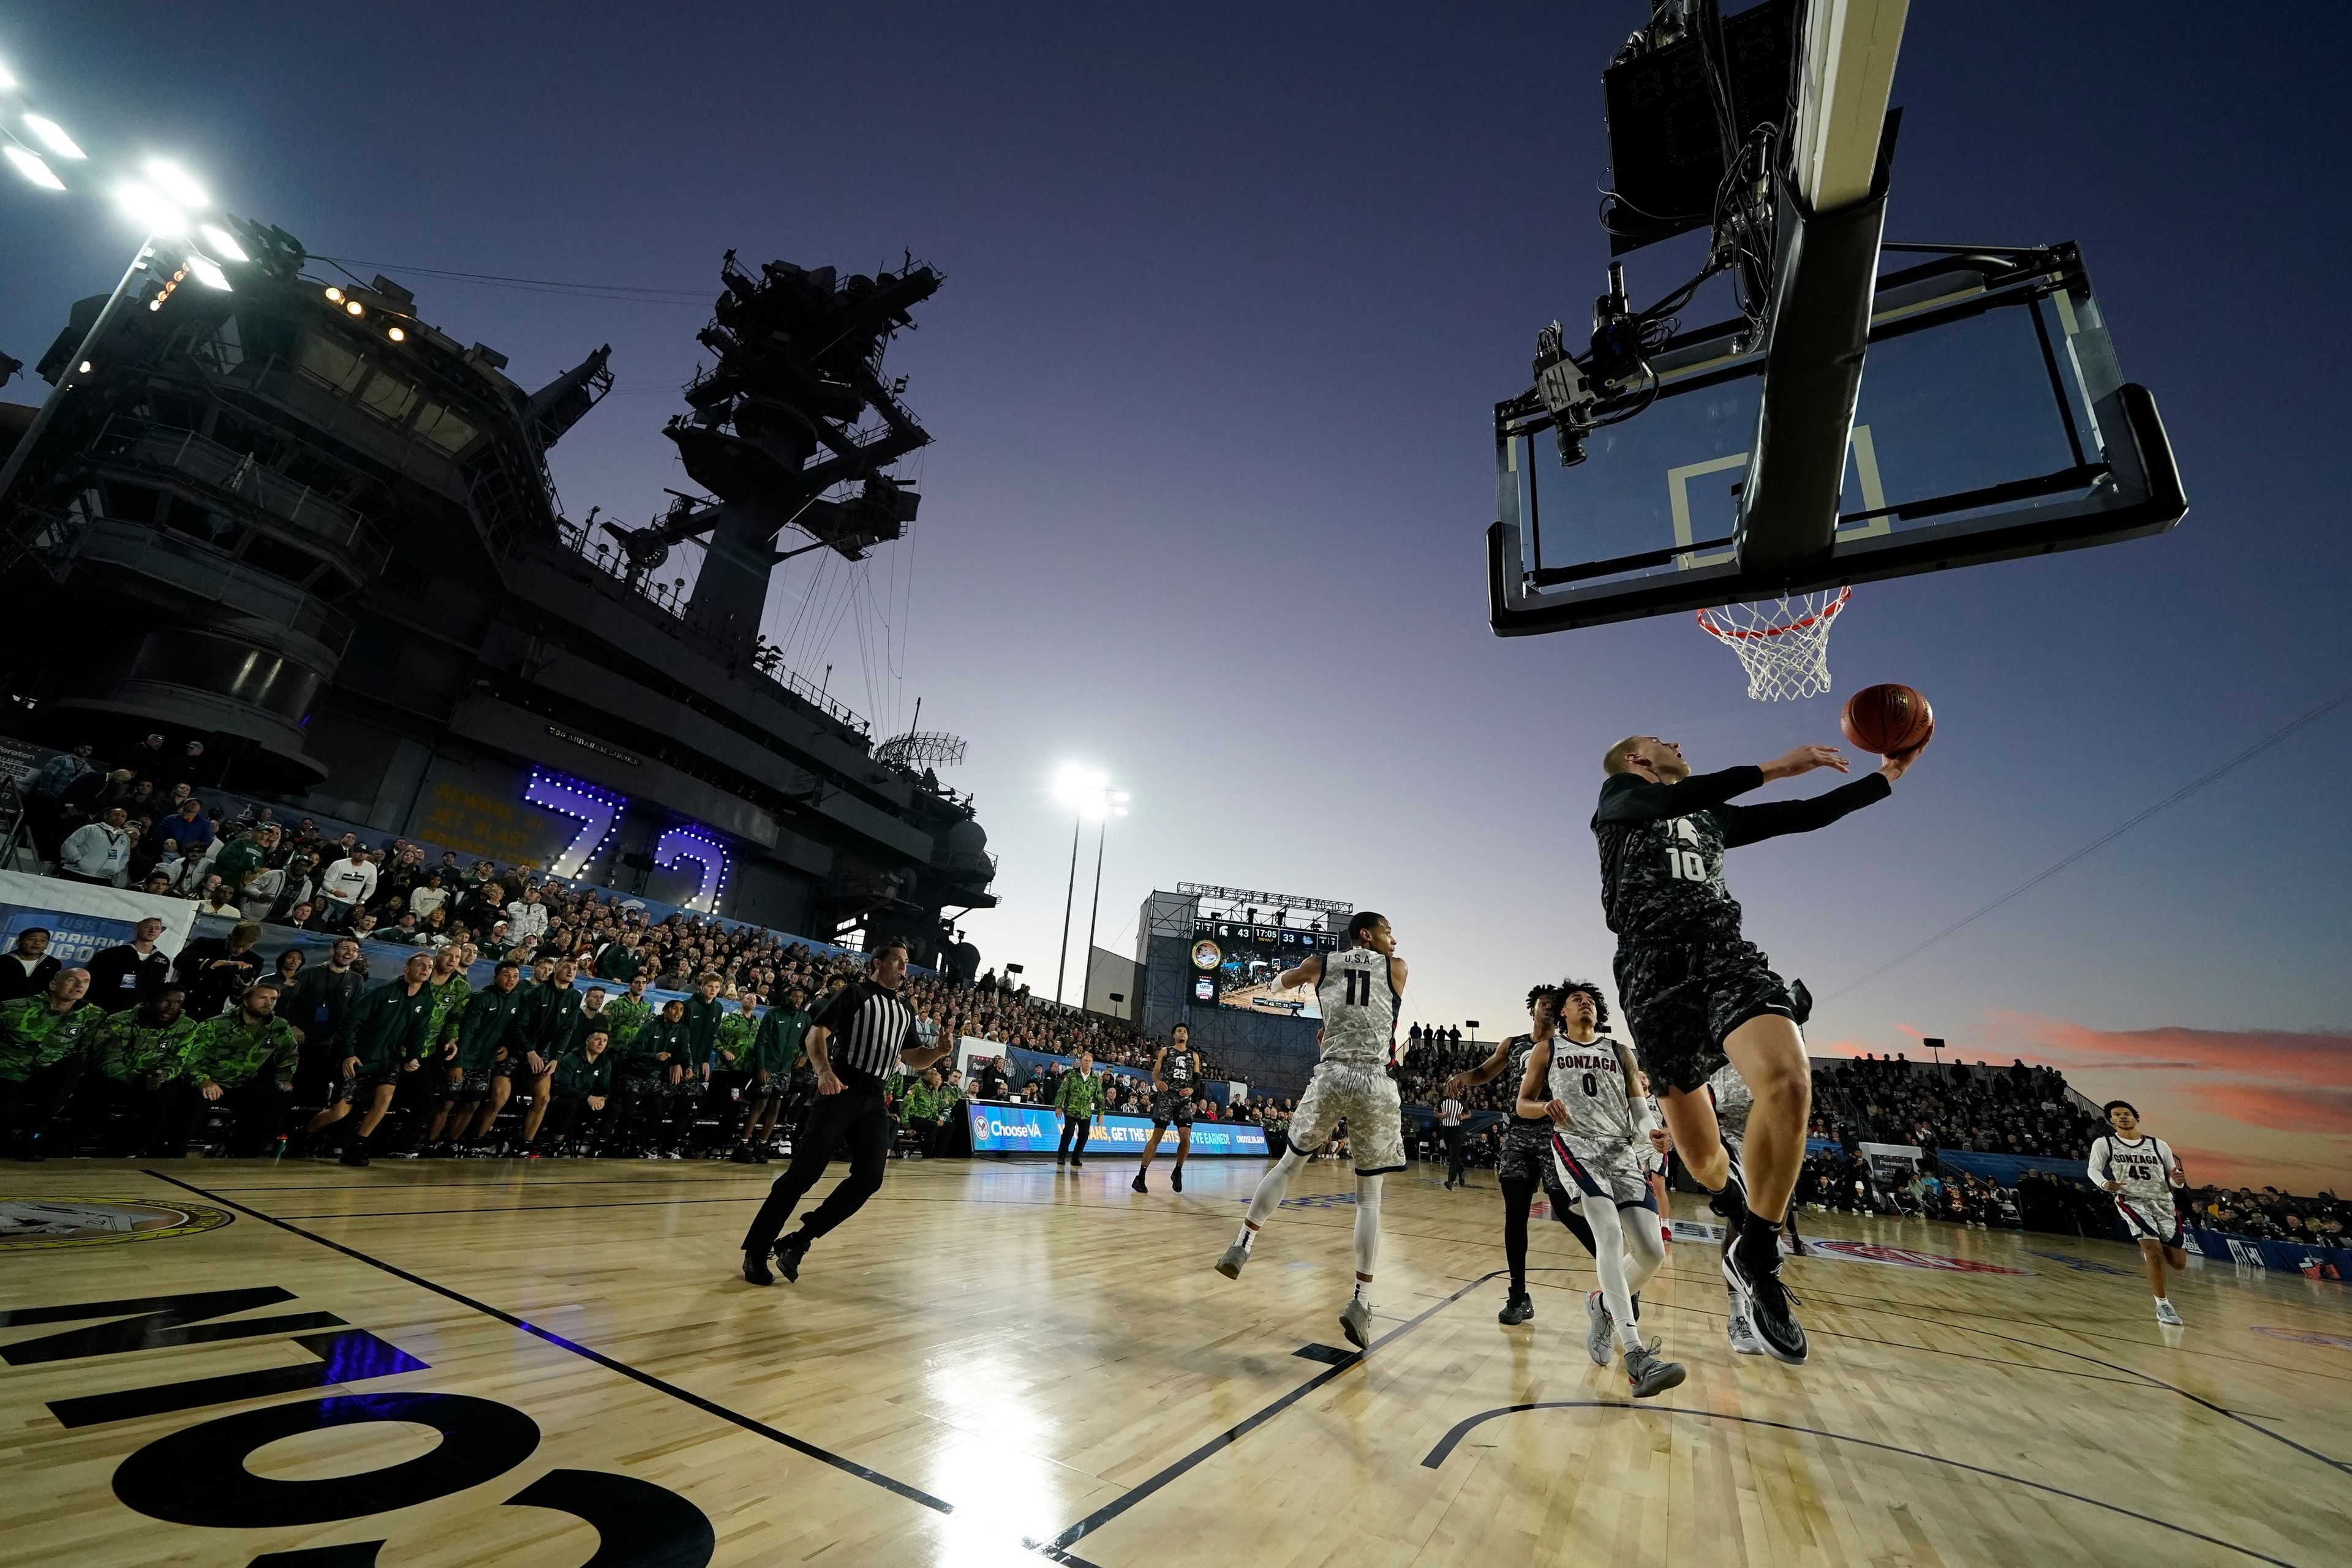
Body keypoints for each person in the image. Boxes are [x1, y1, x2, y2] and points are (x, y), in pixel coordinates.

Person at [1592, 728, 1928, 1365]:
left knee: (1790, 1081)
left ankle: (1758, 1251)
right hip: (1653, 975)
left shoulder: (1709, 815)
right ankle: (1732, 1199)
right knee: (1704, 1162)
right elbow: (1681, 797)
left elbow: (1810, 815)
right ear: (1638, 760)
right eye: (1660, 739)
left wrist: (1892, 773)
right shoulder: (1620, 799)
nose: (1677, 740)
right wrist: (1780, 765)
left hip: (1725, 955)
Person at [1216, 912, 1408, 1352]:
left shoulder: (1320, 964)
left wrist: (1285, 982)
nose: (1394, 940)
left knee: (1288, 1166)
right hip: (1374, 1080)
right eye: (1387, 931)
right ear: (1367, 934)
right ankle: (1361, 1301)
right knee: (1369, 1198)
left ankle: (1241, 1245)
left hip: (1333, 1074)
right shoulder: (1397, 968)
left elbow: (1280, 983)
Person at [737, 938, 952, 1286]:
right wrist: (824, 1071)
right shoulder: (854, 993)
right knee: (803, 1175)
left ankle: (799, 1240)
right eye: (897, 960)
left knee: (870, 1178)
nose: (904, 967)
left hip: (874, 1100)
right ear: (877, 964)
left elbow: (913, 1057)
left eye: (906, 962)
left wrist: (939, 1053)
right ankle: (756, 1250)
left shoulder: (905, 1010)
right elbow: (815, 1034)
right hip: (841, 1091)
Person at [1517, 979, 1683, 1396]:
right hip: (1577, 1145)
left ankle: (1603, 1304)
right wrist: (1544, 1108)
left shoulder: (1619, 1051)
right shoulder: (1549, 1049)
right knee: (1608, 1234)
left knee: (1651, 1252)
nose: (1585, 1004)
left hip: (1621, 1150)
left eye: (1591, 1001)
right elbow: (1523, 1103)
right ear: (1563, 1014)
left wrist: (1653, 1134)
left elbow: (1639, 1110)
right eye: (1577, 1000)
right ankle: (1637, 1356)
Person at [1441, 984, 1600, 1325]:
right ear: (1533, 1009)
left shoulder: (1564, 1046)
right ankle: (1518, 1296)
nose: (1547, 1008)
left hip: (1556, 1132)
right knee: (1515, 1214)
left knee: (1567, 1210)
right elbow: (1485, 1072)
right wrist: (1462, 1078)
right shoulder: (1513, 1045)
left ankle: (1623, 1278)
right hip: (1517, 1135)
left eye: (1552, 1005)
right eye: (1543, 1003)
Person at [304, 952, 437, 1167]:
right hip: (361, 1058)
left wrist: (413, 1056)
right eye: (421, 965)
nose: (426, 969)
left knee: (385, 1098)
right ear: (406, 969)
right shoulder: (382, 993)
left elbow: (418, 1031)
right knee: (339, 1111)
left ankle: (357, 1145)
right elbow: (349, 1023)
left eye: (430, 967)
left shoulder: (426, 999)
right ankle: (307, 1133)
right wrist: (348, 1053)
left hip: (389, 1059)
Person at [164, 977, 300, 1156]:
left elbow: (289, 1054)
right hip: (210, 1081)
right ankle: (172, 1155)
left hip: (242, 1083)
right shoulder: (216, 1024)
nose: (268, 1003)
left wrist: (284, 1078)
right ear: (246, 1000)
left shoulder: (279, 1026)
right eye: (262, 998)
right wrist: (203, 1080)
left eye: (273, 999)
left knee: (277, 1101)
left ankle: (242, 1155)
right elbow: (188, 1058)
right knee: (190, 1104)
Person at [2090, 1100, 2190, 1325]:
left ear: (2137, 1118)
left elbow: (2174, 1177)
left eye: (2126, 1114)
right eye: (2116, 1115)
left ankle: (2153, 1255)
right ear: (2112, 1121)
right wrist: (2105, 1184)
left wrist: (2178, 1182)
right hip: (2132, 1200)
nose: (2122, 1117)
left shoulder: (2158, 1145)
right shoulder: (2105, 1143)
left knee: (2178, 1262)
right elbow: (2093, 1169)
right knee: (2153, 1250)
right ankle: (2163, 1305)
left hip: (2163, 1202)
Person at [0, 968, 105, 1159]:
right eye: (72, 980)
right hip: (9, 1072)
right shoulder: (13, 1008)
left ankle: (32, 1137)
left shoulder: (94, 1016)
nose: (80, 985)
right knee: (10, 1107)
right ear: (53, 985)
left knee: (72, 1068)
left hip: (48, 1077)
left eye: (86, 981)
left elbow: (84, 1054)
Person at [427, 960, 524, 1155]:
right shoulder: (482, 998)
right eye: (506, 975)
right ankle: (429, 1144)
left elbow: (512, 1029)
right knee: (447, 1102)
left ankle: (451, 1143)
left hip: (485, 1063)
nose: (511, 979)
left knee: (472, 1103)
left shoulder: (517, 1001)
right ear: (496, 977)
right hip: (463, 1060)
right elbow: (467, 1031)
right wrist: (459, 1063)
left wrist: (506, 1046)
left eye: (515, 976)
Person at [92, 983, 196, 1155]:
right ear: (150, 1000)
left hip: (155, 1081)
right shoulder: (119, 1020)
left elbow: (178, 1062)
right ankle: (71, 1147)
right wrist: (136, 1078)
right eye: (165, 1001)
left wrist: (162, 1075)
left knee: (172, 1091)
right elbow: (107, 1061)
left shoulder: (188, 1027)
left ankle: (139, 1150)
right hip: (120, 1077)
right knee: (96, 1085)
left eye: (178, 1003)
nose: (171, 1007)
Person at [734, 984, 810, 1158]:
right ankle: (743, 1145)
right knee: (760, 1105)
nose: (798, 1000)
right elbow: (760, 1042)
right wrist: (761, 1067)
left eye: (801, 997)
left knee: (776, 1105)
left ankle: (762, 1146)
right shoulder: (774, 1014)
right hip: (768, 1067)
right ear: (787, 997)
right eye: (795, 996)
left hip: (785, 1070)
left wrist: (805, 1055)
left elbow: (808, 1039)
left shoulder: (804, 1018)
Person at [1134, 1022, 1205, 1193]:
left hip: (1184, 1099)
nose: (1182, 1033)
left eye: (1185, 1031)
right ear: (1174, 1035)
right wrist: (1158, 1082)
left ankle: (1178, 1171)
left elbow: (1197, 1078)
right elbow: (1155, 1073)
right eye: (1179, 1031)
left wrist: (1192, 1089)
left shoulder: (1194, 1055)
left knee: (1186, 1137)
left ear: (1187, 1037)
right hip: (1167, 1097)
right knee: (1156, 1137)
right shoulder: (1166, 1051)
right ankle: (1140, 1177)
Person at [534, 1025, 614, 1152]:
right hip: (564, 1102)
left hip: (589, 1104)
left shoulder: (605, 1062)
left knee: (615, 1108)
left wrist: (603, 1098)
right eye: (597, 1039)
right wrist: (587, 1098)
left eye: (605, 1041)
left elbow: (604, 1087)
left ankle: (596, 1150)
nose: (601, 1043)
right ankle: (556, 1145)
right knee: (571, 1105)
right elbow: (561, 1087)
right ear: (587, 1041)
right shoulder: (571, 1058)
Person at [173, 920, 266, 1022]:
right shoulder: (205, 944)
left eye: (245, 947)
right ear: (230, 937)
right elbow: (179, 962)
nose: (238, 951)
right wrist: (223, 963)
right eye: (236, 945)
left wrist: (242, 990)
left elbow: (237, 1000)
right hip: (183, 1004)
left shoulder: (254, 961)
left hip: (210, 1012)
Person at [87, 917, 173, 1011]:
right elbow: (92, 981)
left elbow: (157, 990)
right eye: (148, 927)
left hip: (137, 1014)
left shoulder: (163, 961)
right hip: (104, 1008)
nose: (153, 931)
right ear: (137, 928)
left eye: (157, 928)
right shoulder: (111, 954)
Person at [58, 806, 137, 884]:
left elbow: (125, 856)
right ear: (106, 816)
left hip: (103, 878)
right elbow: (69, 844)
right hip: (75, 872)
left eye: (123, 816)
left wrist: (115, 868)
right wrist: (77, 860)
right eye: (116, 814)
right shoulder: (91, 829)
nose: (119, 817)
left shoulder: (125, 838)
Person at [1055, 1048, 1100, 1167]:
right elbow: (1062, 1091)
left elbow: (1100, 1096)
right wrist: (1059, 1106)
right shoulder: (1072, 1075)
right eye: (1085, 1060)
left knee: (1084, 1135)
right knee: (1068, 1132)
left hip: (1086, 1112)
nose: (1087, 1063)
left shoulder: (1095, 1079)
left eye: (1089, 1061)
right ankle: (1062, 1157)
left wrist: (1101, 1113)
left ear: (1092, 1063)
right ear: (1081, 1061)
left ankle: (1076, 1158)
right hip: (1071, 1110)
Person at [0, 928, 61, 1004]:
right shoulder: (3, 961)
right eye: (32, 939)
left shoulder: (53, 964)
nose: (37, 943)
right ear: (19, 943)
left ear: (47, 945)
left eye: (43, 941)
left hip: (35, 1010)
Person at [1437, 1088, 1468, 1189]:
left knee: (1454, 1154)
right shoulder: (1442, 1100)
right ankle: (1461, 1171)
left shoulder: (1462, 1102)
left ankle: (1451, 1181)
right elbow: (1435, 1112)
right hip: (1446, 1130)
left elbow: (1469, 1114)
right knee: (1453, 1155)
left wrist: (1463, 1117)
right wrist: (1443, 1115)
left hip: (1458, 1131)